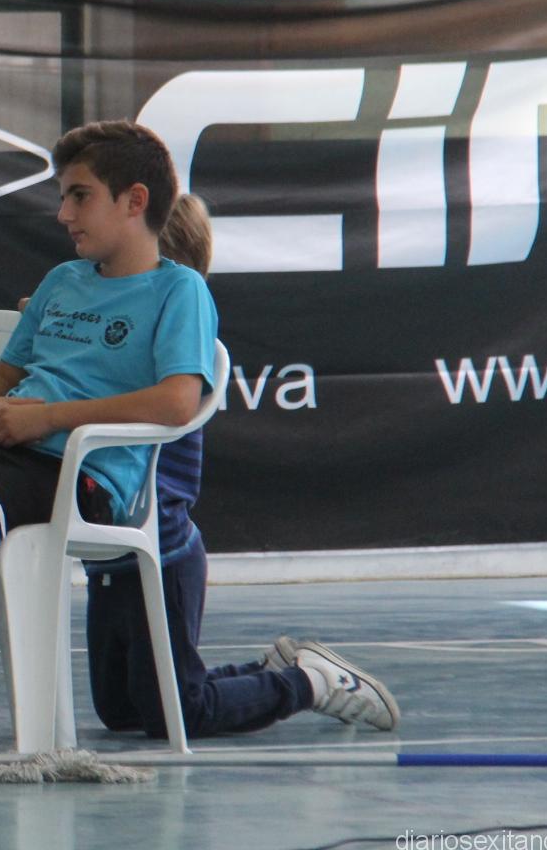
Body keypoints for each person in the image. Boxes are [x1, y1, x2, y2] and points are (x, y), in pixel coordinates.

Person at [0, 120, 396, 762]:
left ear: (134, 201)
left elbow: (178, 401)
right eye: (63, 196)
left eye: (79, 196)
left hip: (75, 474)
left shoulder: (180, 290)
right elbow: (1, 376)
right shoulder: (62, 280)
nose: (63, 214)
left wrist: (50, 419)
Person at [86, 192, 401, 740]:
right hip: (109, 559)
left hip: (160, 554)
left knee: (177, 714)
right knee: (123, 710)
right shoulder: (118, 325)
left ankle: (310, 684)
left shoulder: (173, 340)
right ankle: (269, 670)